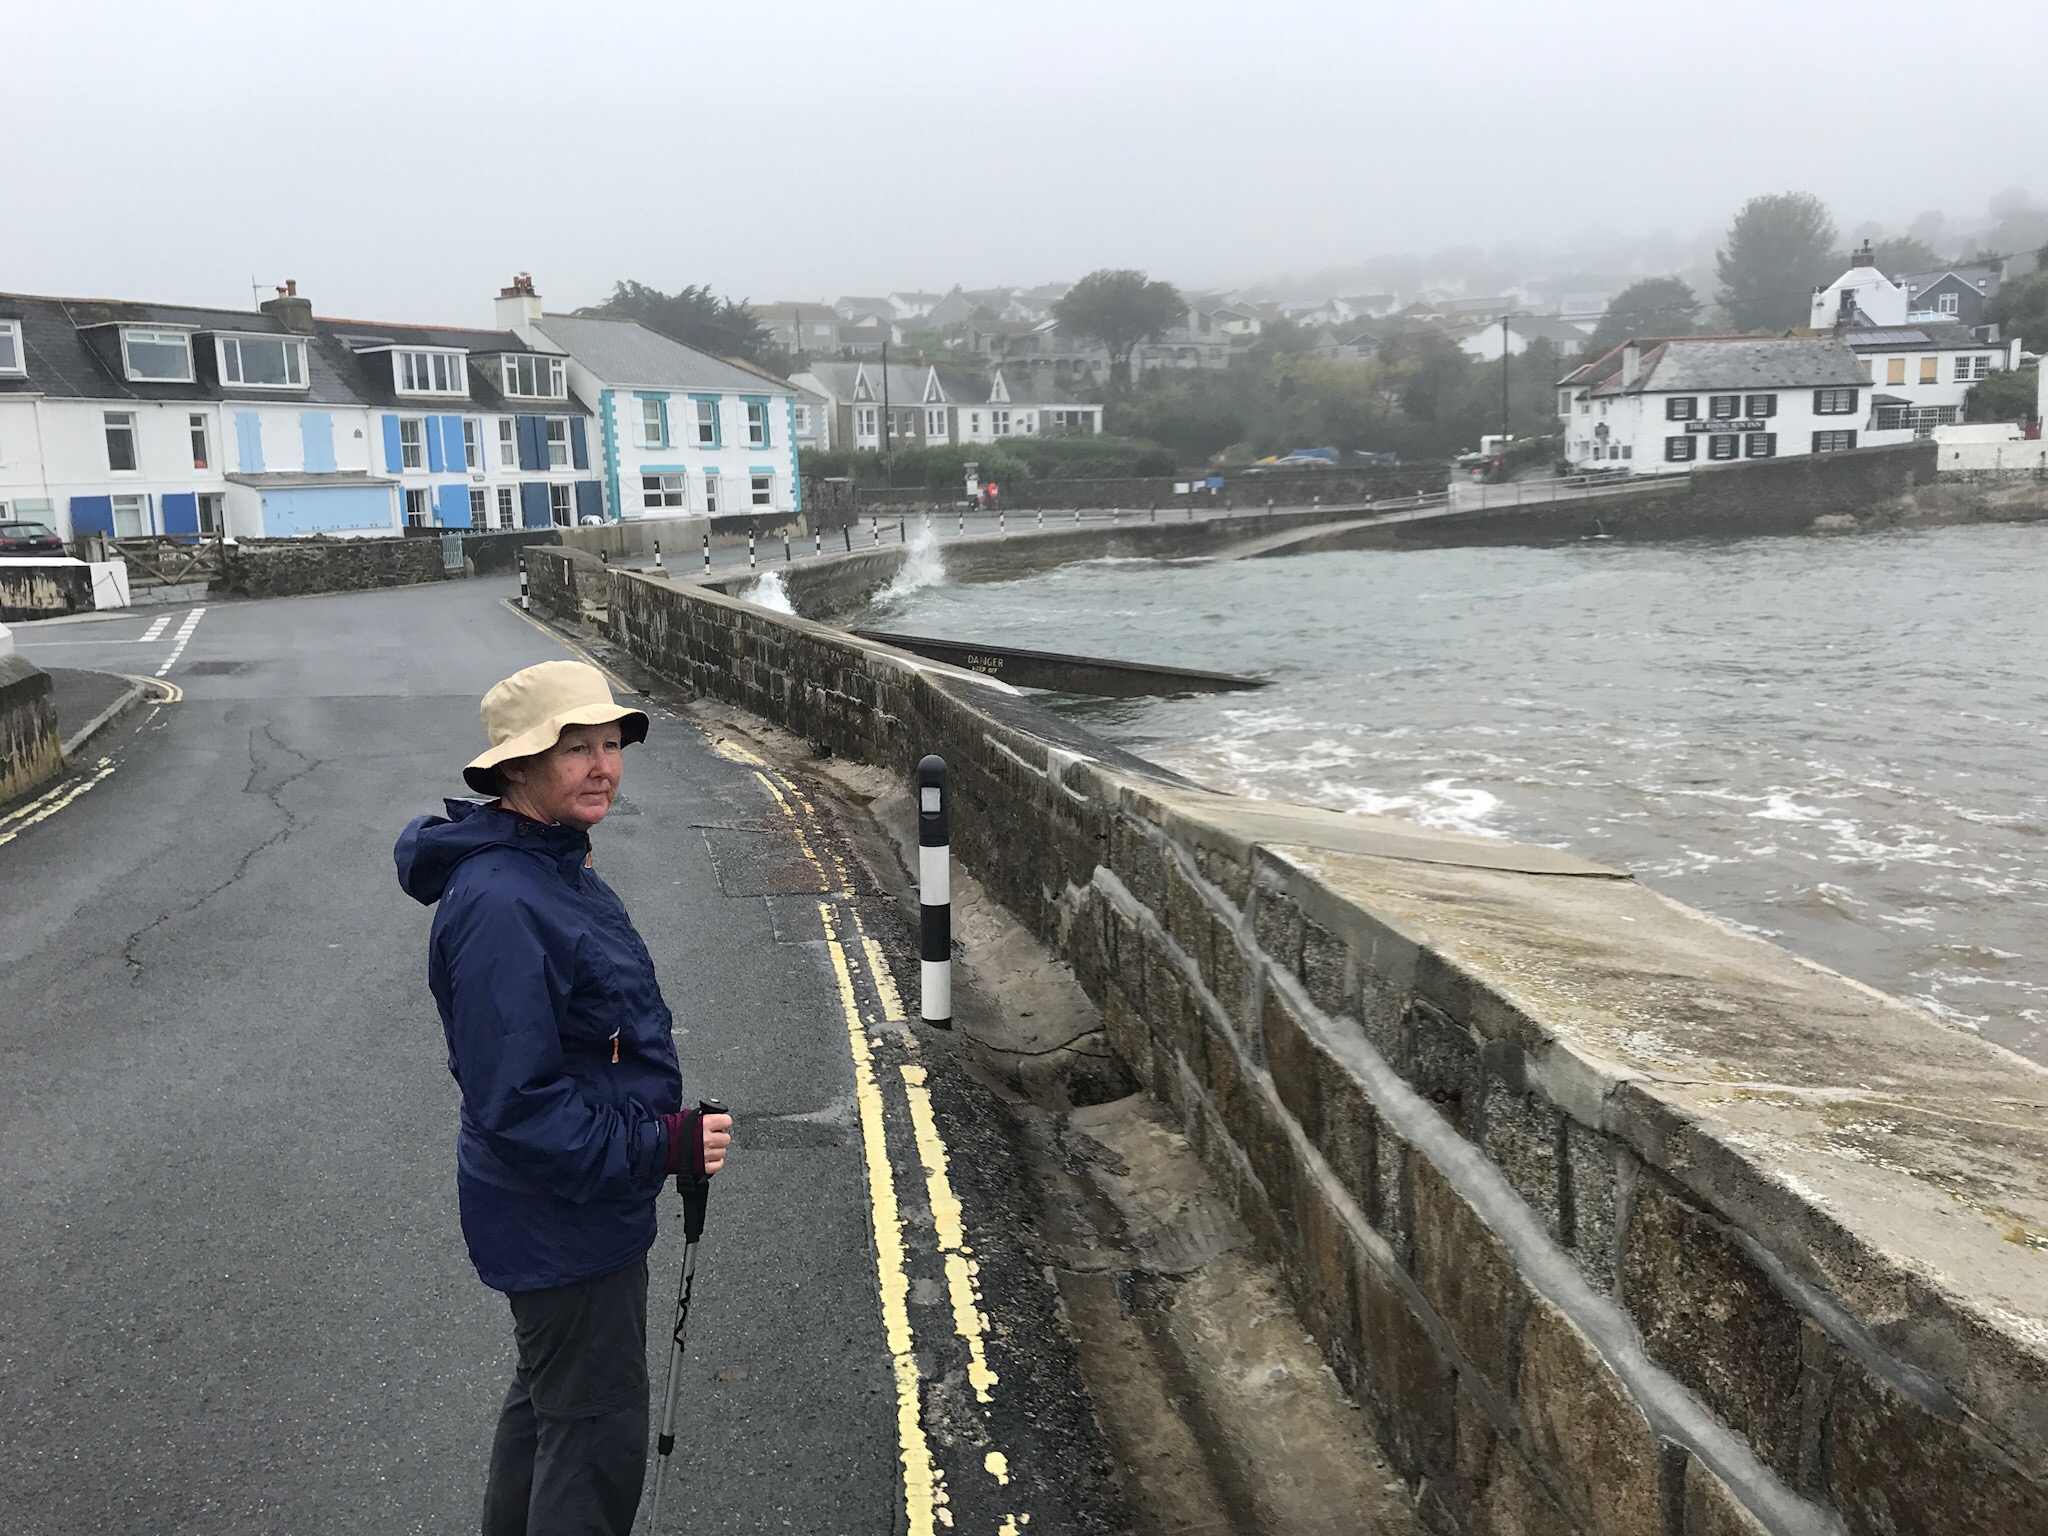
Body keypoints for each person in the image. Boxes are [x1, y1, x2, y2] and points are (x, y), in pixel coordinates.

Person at [394, 659, 733, 1536]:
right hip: (564, 1220)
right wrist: (664, 1145)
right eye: (575, 748)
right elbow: (521, 1105)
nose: (602, 767)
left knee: (551, 1409)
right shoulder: (506, 900)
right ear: (517, 767)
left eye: (611, 745)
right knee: (592, 1442)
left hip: (570, 1213)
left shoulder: (547, 866)